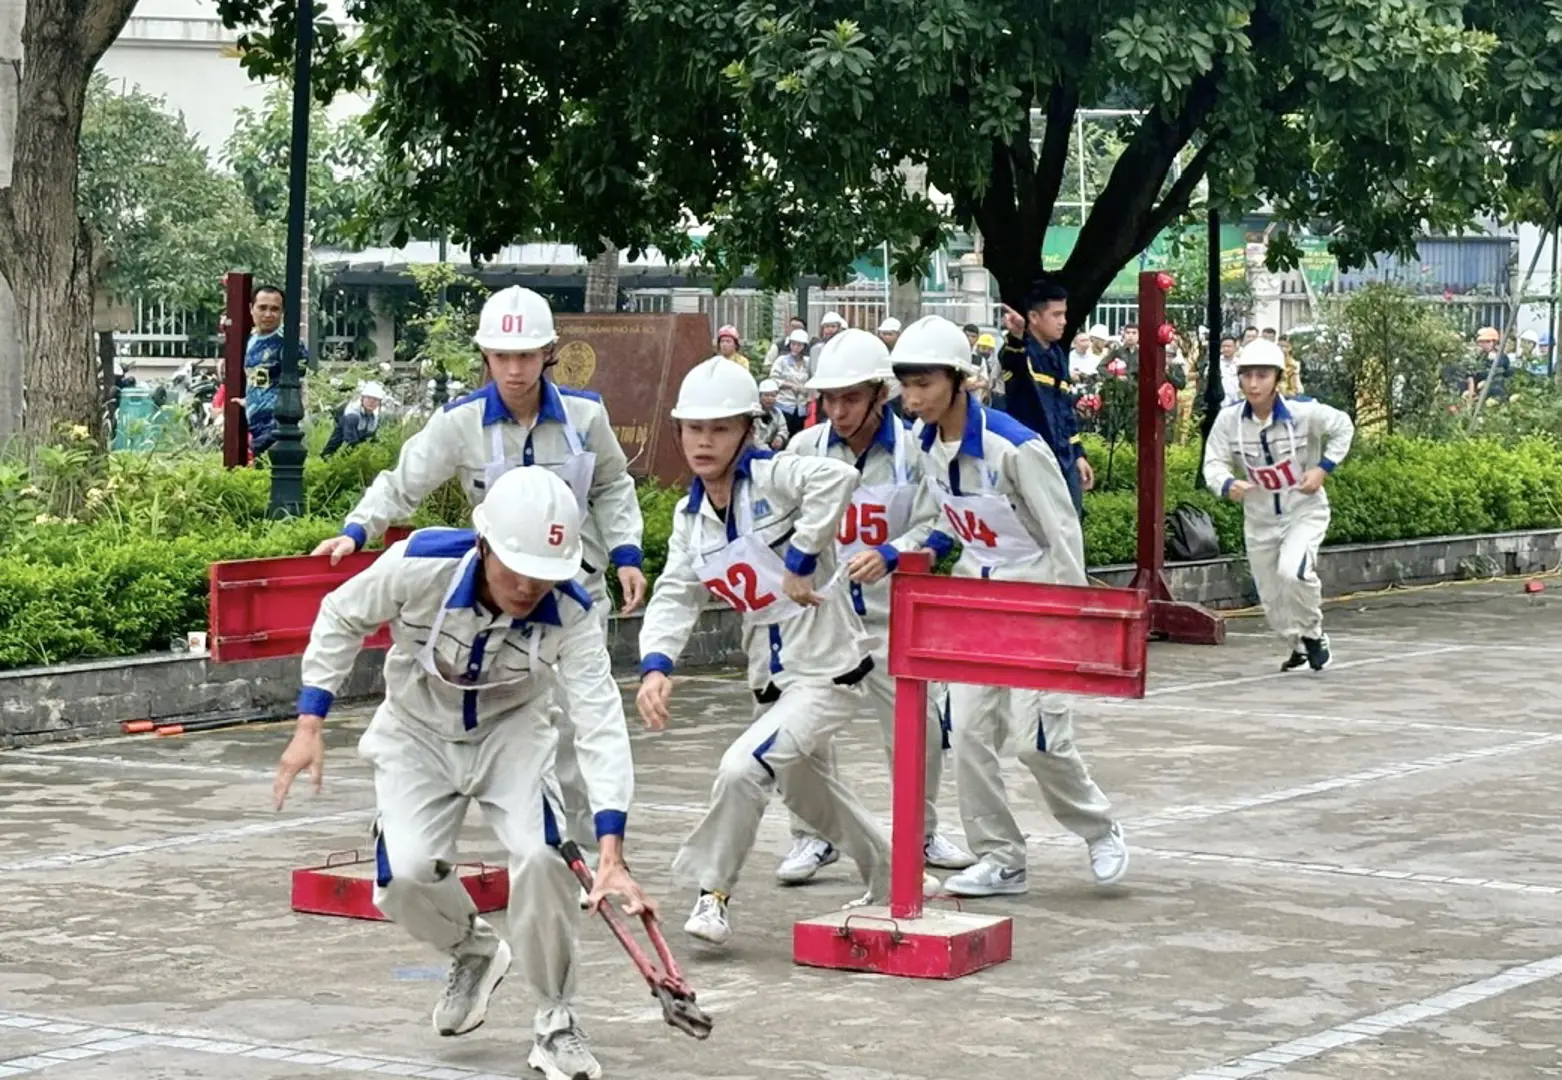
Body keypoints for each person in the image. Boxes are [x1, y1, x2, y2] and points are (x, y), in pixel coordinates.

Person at [275, 466, 649, 1080]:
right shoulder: (418, 563)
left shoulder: (574, 611)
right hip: (417, 728)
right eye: (517, 566)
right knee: (405, 877)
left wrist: (612, 847)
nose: (530, 586)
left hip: (514, 732)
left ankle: (556, 1022)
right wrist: (310, 720)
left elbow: (600, 717)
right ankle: (472, 949)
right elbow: (342, 613)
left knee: (543, 857)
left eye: (545, 573)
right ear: (484, 544)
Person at [309, 285, 648, 855]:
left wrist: (627, 553)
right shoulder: (460, 423)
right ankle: (407, 806)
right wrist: (355, 529)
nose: (514, 370)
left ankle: (587, 844)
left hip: (571, 591)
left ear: (548, 354)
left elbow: (613, 485)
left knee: (577, 716)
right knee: (455, 699)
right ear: (486, 358)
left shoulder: (586, 417)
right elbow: (403, 481)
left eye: (526, 355)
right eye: (502, 356)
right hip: (494, 589)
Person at [636, 358, 904, 946]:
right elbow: (675, 595)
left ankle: (713, 894)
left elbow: (835, 481)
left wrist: (804, 558)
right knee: (813, 796)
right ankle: (895, 876)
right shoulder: (691, 520)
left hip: (828, 671)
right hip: (770, 678)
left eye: (721, 429)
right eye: (693, 429)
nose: (704, 442)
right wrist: (656, 666)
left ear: (746, 431)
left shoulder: (775, 474)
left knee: (741, 768)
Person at [891, 315, 1128, 898]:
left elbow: (1063, 529)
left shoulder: (1013, 446)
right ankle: (1001, 858)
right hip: (979, 598)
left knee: (1036, 739)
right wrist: (891, 551)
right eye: (907, 384)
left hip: (1038, 597)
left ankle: (1099, 828)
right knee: (967, 731)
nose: (913, 397)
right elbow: (933, 521)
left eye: (924, 383)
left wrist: (1076, 617)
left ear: (958, 380)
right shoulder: (924, 447)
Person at [773, 328, 974, 885]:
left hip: (894, 619)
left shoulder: (917, 452)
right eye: (829, 399)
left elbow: (942, 526)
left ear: (879, 394)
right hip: (822, 619)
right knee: (798, 729)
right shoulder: (802, 450)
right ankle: (814, 836)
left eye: (851, 398)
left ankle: (920, 833)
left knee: (920, 729)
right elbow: (775, 522)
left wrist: (893, 551)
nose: (838, 411)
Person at [1202, 339, 1355, 674]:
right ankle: (1298, 646)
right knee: (1271, 596)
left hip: (1303, 511)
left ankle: (1314, 635)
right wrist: (1227, 484)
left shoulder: (1304, 413)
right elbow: (1212, 462)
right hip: (1258, 519)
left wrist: (1323, 468)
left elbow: (1343, 426)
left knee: (1294, 571)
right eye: (1247, 376)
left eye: (1262, 375)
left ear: (1277, 379)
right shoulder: (1229, 421)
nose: (1254, 384)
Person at [996, 280, 1094, 519]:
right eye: (1056, 315)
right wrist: (1016, 336)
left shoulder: (1058, 354)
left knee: (1072, 523)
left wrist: (1078, 454)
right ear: (1034, 317)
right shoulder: (1020, 350)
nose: (1064, 321)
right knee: (1040, 529)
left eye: (1064, 314)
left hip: (1064, 457)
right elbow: (1012, 363)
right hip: (1033, 458)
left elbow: (1065, 410)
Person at [322, 380, 387, 458]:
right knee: (339, 442)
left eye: (375, 400)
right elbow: (350, 441)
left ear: (379, 403)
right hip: (348, 424)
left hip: (361, 430)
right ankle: (327, 458)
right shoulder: (352, 413)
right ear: (362, 399)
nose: (371, 402)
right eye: (369, 398)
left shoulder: (375, 416)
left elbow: (371, 437)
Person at [768, 329, 813, 436]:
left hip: (802, 407)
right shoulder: (781, 361)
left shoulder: (808, 362)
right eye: (793, 344)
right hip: (784, 405)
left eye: (799, 345)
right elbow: (773, 379)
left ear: (804, 347)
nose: (795, 347)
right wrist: (790, 385)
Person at [752, 379, 789, 450]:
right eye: (766, 395)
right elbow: (754, 438)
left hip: (770, 447)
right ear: (759, 396)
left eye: (773, 395)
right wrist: (768, 451)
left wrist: (780, 437)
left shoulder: (777, 412)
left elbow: (783, 429)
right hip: (755, 449)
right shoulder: (753, 413)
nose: (769, 398)